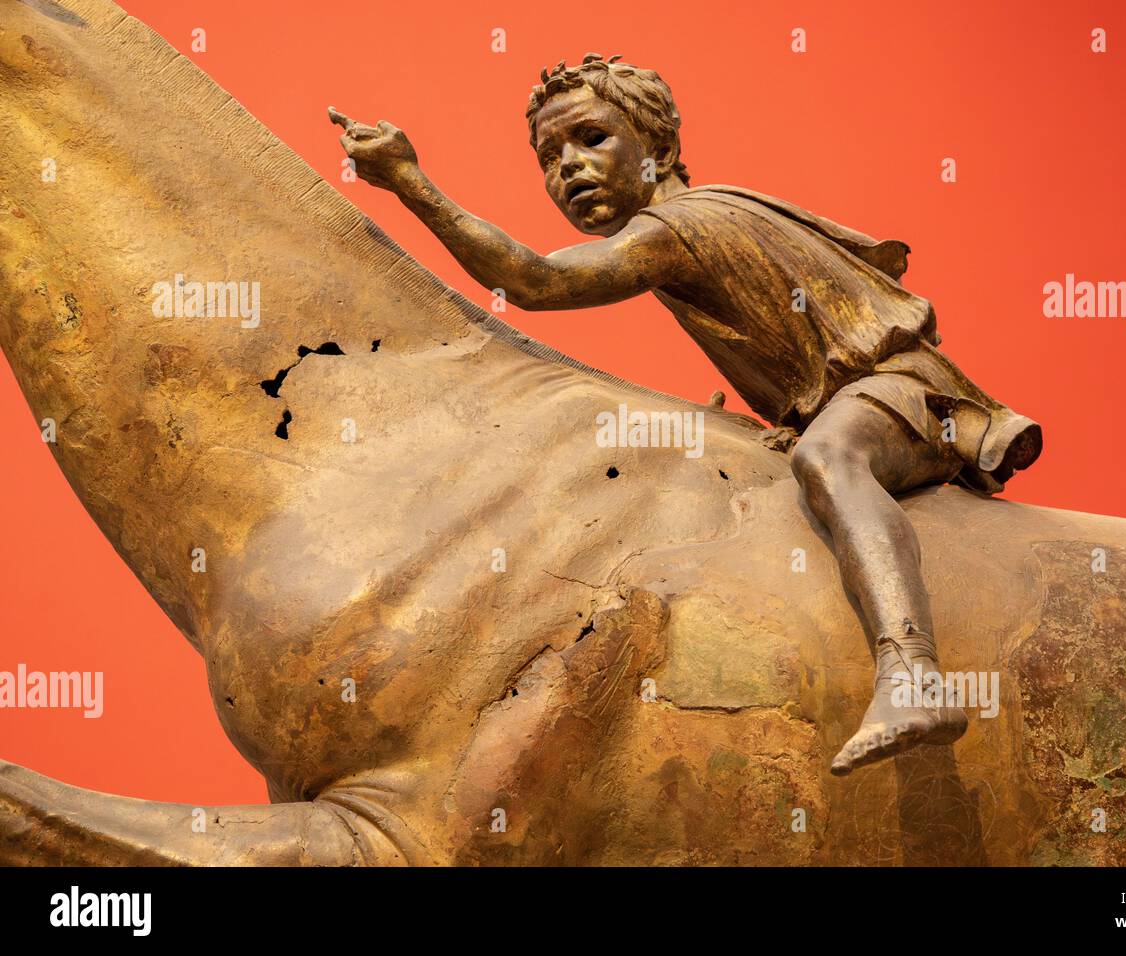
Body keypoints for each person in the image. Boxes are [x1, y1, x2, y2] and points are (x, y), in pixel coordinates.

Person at [327, 52, 1042, 774]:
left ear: (660, 148)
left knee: (830, 459)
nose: (568, 167)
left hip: (904, 390)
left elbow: (535, 281)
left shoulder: (678, 228)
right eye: (549, 156)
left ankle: (911, 670)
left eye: (591, 139)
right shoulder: (690, 224)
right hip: (852, 397)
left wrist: (409, 183)